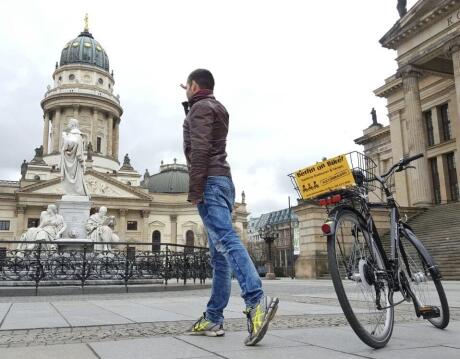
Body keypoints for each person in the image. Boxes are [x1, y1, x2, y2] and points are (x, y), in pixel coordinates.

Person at [181, 69, 279, 346]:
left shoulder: (199, 109)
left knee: (226, 240)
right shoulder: (216, 107)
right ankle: (213, 317)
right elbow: (202, 138)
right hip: (224, 181)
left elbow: (198, 149)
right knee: (219, 257)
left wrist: (195, 189)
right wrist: (190, 102)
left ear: (194, 85)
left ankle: (255, 300)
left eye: (188, 86)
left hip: (209, 181)